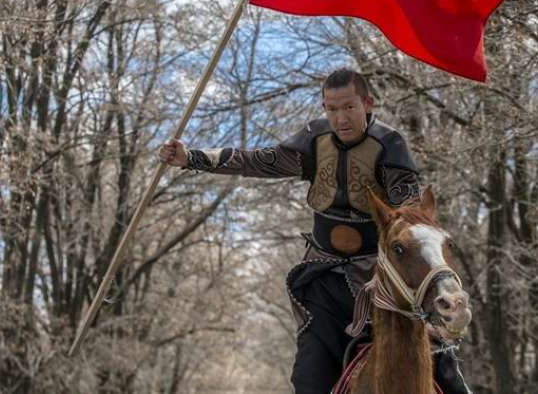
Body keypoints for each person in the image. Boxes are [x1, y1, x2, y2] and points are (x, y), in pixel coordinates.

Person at [159, 68, 470, 394]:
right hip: (324, 280)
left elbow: (408, 213)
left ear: (367, 103)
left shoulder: (389, 144)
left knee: (440, 362)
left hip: (380, 280)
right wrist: (191, 157)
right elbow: (260, 161)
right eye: (331, 109)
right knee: (309, 379)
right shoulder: (313, 140)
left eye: (349, 107)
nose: (341, 118)